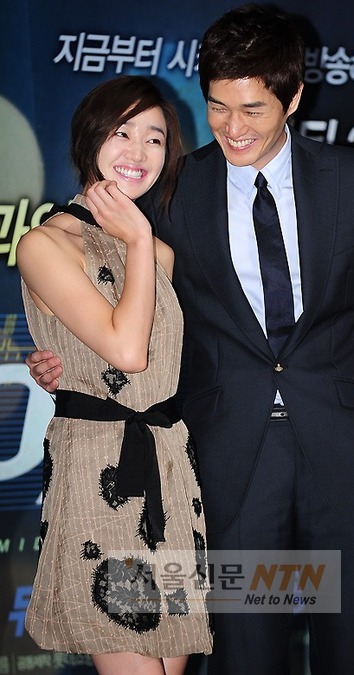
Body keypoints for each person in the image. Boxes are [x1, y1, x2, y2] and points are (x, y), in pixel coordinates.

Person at [26, 5, 354, 675]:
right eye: (218, 108)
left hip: (348, 460)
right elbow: (117, 310)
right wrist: (58, 360)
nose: (233, 128)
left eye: (252, 109)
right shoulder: (169, 191)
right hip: (229, 466)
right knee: (246, 657)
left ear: (293, 96)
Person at [17, 75, 212, 675]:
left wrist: (140, 243)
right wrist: (140, 238)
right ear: (90, 139)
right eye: (123, 133)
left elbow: (161, 367)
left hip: (171, 468)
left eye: (155, 138)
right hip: (100, 471)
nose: (140, 151)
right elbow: (128, 352)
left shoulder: (159, 254)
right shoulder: (44, 244)